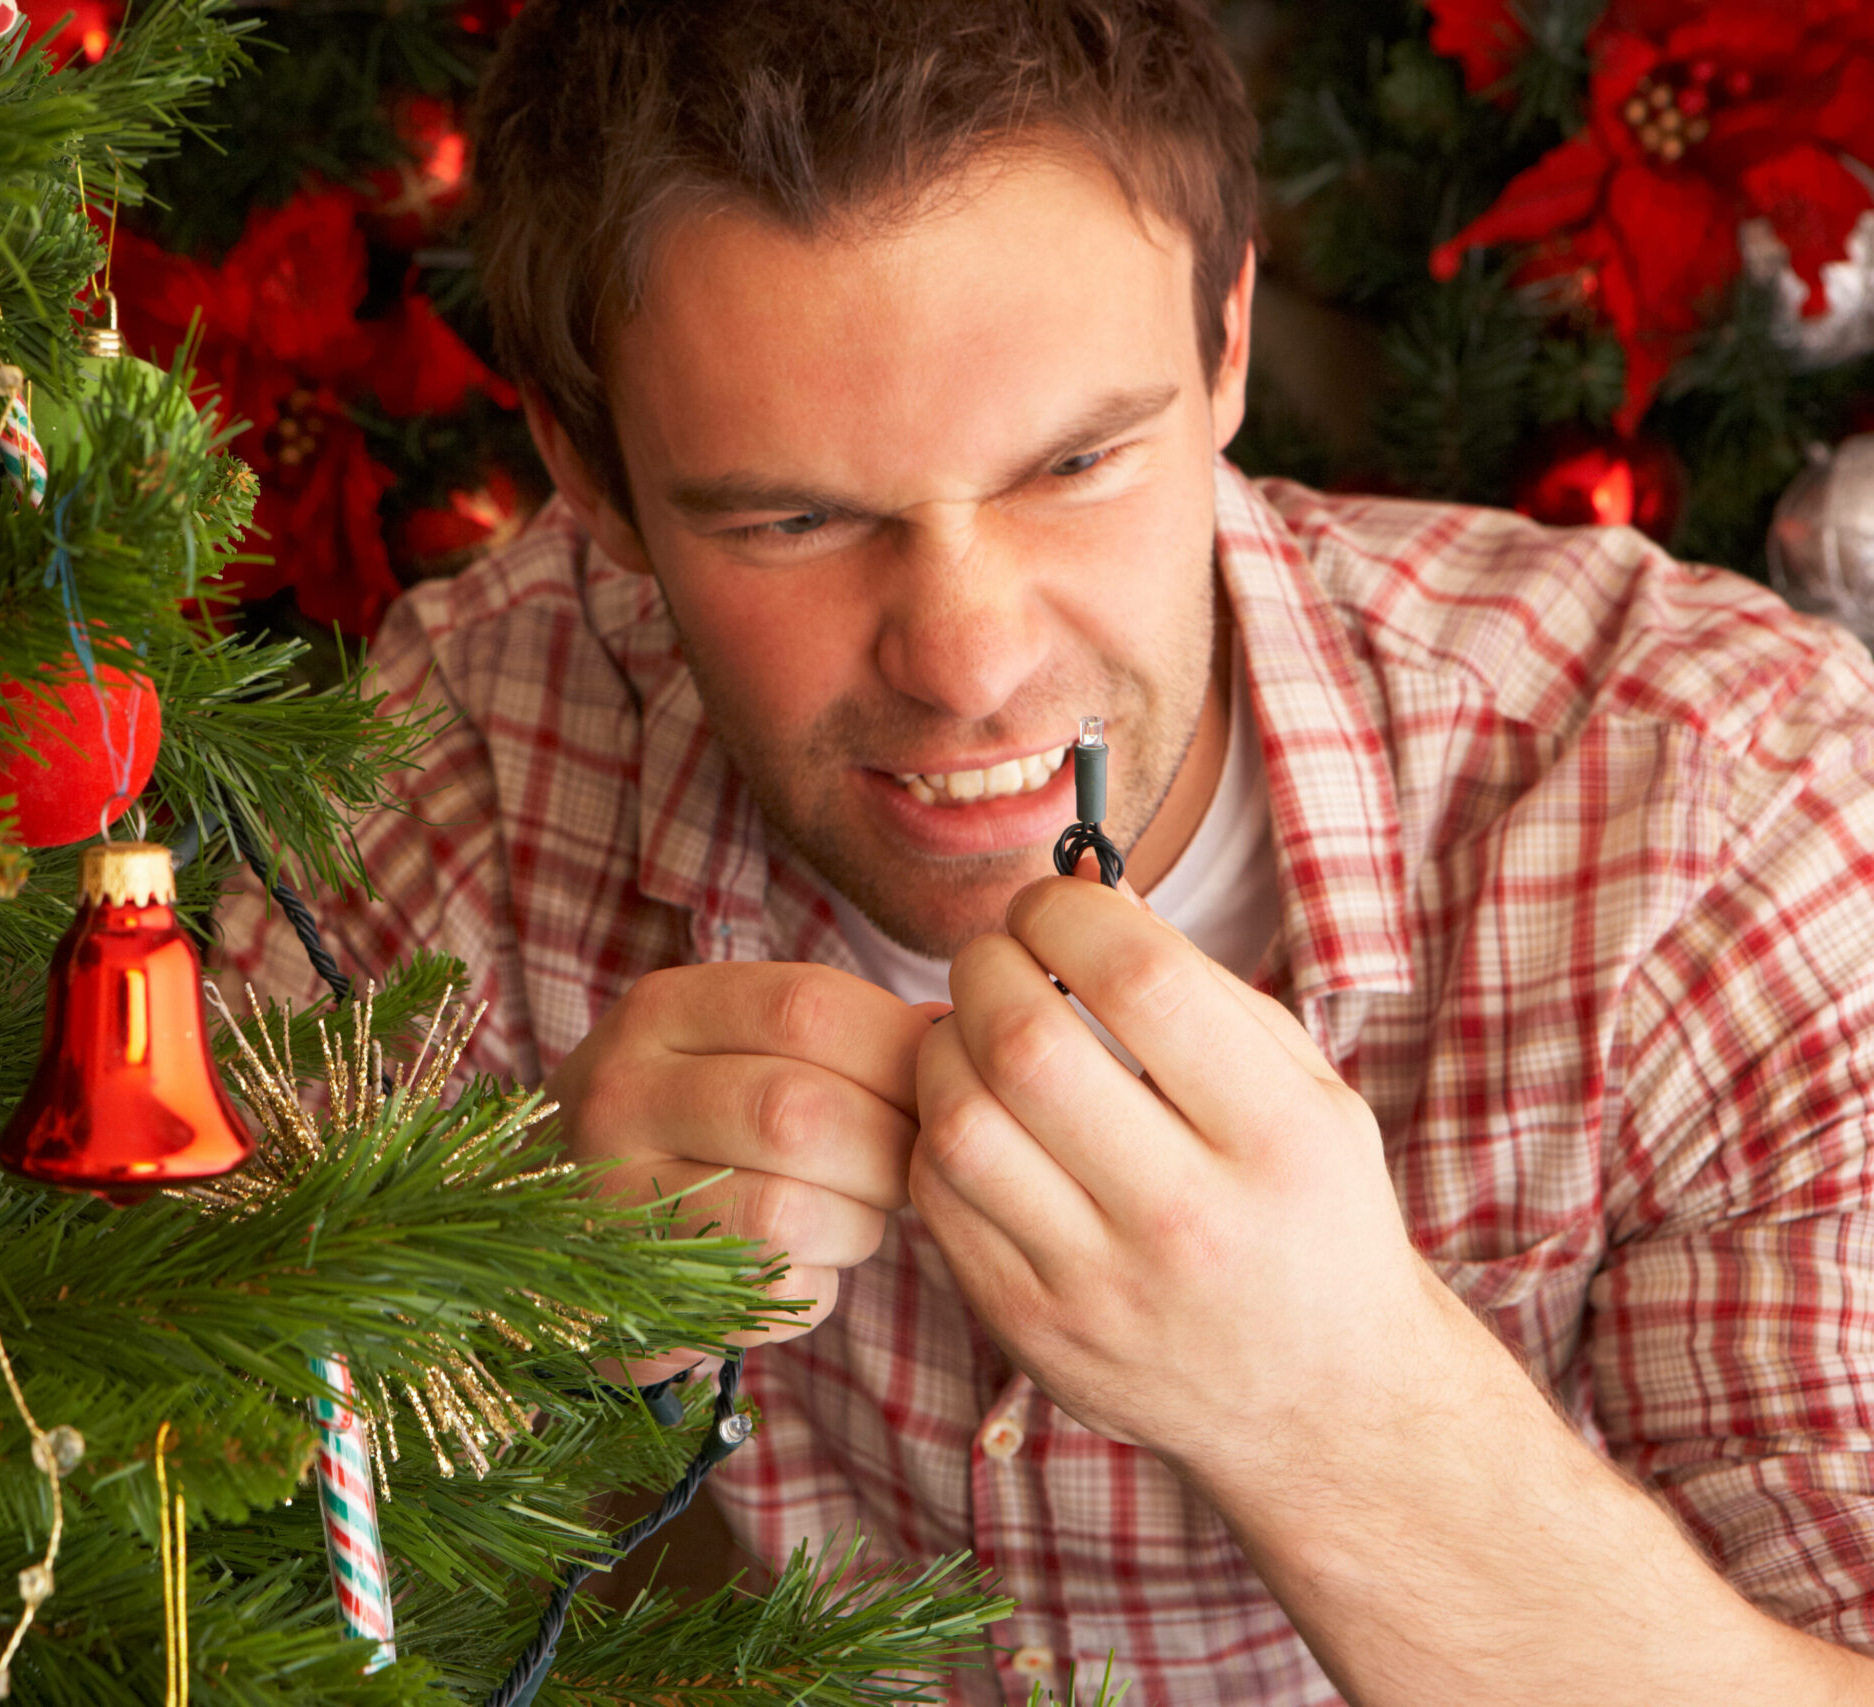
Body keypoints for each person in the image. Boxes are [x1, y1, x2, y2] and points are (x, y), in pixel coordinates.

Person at [211, 2, 1874, 1700]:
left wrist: (1336, 1409)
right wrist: (507, 1299)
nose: (968, 661)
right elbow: (154, 1517)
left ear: (1225, 343)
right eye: (793, 519)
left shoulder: (1719, 819)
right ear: (589, 477)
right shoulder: (467, 762)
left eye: (1076, 464)